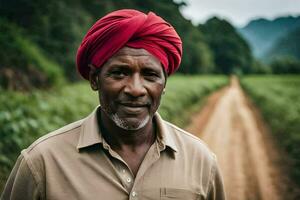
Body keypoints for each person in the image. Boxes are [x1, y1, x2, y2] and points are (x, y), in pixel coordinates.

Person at [1, 9, 225, 200]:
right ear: (94, 79)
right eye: (119, 73)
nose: (136, 89)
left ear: (164, 84)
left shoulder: (201, 161)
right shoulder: (42, 163)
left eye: (150, 75)